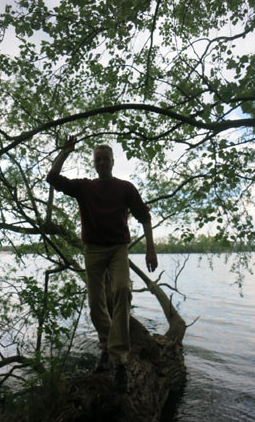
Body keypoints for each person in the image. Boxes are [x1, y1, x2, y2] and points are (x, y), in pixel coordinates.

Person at [46, 141, 158, 392]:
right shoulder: (85, 187)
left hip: (118, 248)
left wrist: (151, 248)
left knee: (121, 291)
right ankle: (107, 348)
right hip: (93, 249)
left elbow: (145, 217)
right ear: (94, 163)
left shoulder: (125, 188)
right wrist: (64, 153)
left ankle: (119, 363)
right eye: (98, 159)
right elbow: (52, 177)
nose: (102, 162)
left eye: (106, 158)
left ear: (113, 162)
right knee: (96, 305)